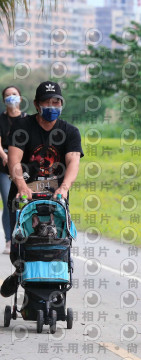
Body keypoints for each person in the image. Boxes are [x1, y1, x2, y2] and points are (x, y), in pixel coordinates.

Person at [0, 81, 83, 298]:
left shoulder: (70, 131)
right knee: (20, 244)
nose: (51, 106)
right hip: (24, 194)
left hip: (55, 196)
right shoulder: (22, 128)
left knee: (56, 239)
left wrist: (65, 187)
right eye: (46, 102)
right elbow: (14, 161)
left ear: (62, 103)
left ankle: (54, 281)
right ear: (37, 104)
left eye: (56, 101)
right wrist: (21, 186)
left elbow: (73, 161)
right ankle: (20, 272)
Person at [0, 86, 27, 254]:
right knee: (8, 202)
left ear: (20, 98)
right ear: (4, 100)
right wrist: (6, 158)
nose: (11, 98)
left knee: (23, 202)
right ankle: (9, 240)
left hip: (22, 168)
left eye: (14, 94)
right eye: (8, 95)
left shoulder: (27, 120)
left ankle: (24, 237)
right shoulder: (0, 119)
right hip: (3, 167)